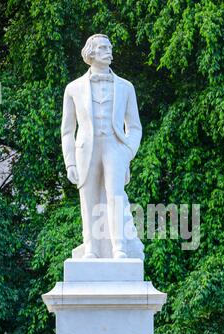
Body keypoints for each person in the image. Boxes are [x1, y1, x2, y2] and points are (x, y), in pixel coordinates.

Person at [61, 34, 143, 259]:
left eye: (110, 47)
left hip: (115, 148)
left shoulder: (126, 87)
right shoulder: (73, 88)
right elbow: (67, 131)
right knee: (88, 200)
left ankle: (120, 248)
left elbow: (134, 126)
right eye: (103, 48)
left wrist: (128, 152)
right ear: (91, 53)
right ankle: (91, 249)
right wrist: (70, 163)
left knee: (115, 196)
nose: (109, 51)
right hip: (86, 149)